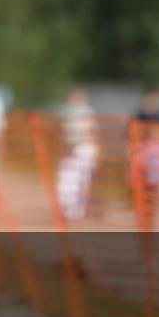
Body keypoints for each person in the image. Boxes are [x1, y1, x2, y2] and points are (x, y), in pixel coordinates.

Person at [56, 86, 98, 222]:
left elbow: (89, 133)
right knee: (73, 181)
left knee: (79, 181)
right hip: (75, 150)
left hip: (82, 149)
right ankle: (71, 210)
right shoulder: (71, 112)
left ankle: (75, 211)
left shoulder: (83, 113)